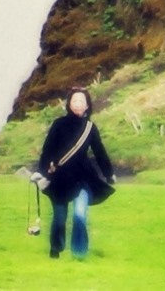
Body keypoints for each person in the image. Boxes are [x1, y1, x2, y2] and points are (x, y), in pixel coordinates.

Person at [37, 89, 114, 261]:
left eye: (81, 101)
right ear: (69, 104)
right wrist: (41, 171)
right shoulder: (58, 124)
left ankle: (79, 254)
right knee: (59, 218)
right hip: (60, 178)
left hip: (83, 177)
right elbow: (47, 149)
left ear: (87, 105)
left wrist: (108, 174)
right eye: (74, 100)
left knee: (79, 215)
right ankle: (56, 248)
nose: (77, 104)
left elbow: (99, 152)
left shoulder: (90, 128)